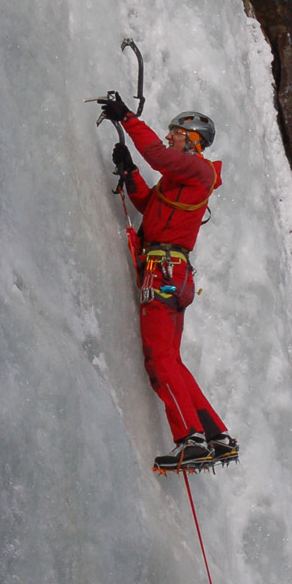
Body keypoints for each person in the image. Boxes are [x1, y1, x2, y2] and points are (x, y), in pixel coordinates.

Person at [97, 91, 238, 472]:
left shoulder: (200, 171)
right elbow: (150, 207)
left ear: (193, 139)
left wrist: (127, 117)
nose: (169, 136)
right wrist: (130, 174)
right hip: (172, 273)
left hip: (163, 273)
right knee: (171, 358)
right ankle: (214, 434)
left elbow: (157, 154)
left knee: (159, 358)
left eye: (176, 132)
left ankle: (189, 439)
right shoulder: (181, 181)